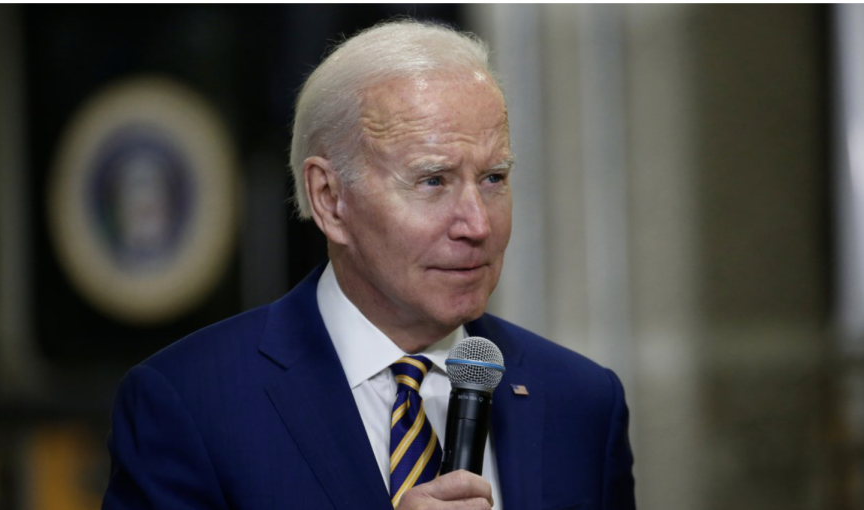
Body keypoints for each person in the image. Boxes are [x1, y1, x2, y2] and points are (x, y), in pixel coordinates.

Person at [102, 20, 635, 510]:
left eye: (494, 178)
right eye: (433, 181)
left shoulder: (582, 401)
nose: (477, 224)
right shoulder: (189, 403)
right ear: (331, 199)